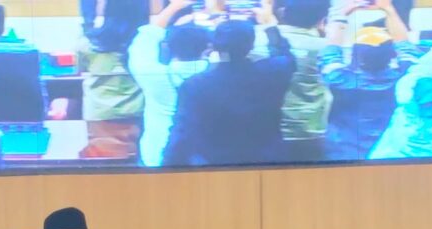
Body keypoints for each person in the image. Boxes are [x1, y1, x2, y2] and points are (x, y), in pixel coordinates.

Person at [163, 6, 295, 166]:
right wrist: (270, 26)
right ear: (252, 45)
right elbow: (285, 55)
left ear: (213, 46)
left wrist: (166, 168)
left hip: (216, 165)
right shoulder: (274, 72)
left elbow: (182, 132)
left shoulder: (195, 85)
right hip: (267, 162)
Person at [320, 0, 416, 160]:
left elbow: (331, 48)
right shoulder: (406, 76)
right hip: (389, 152)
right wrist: (389, 9)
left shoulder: (339, 79)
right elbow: (405, 46)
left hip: (344, 152)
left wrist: (342, 14)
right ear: (392, 54)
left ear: (355, 54)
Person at [128, 0, 211, 167]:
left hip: (156, 156)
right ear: (207, 49)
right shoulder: (215, 75)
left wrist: (173, 7)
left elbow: (145, 39)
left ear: (168, 47)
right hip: (207, 158)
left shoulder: (151, 74)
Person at [78, 0, 149, 160]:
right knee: (135, 162)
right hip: (137, 113)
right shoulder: (147, 43)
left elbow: (79, 67)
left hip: (98, 114)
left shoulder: (88, 41)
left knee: (102, 161)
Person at [276, 0, 332, 162]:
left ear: (284, 12)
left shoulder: (261, 39)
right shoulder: (326, 48)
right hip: (314, 130)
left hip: (273, 129)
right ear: (321, 19)